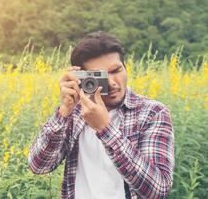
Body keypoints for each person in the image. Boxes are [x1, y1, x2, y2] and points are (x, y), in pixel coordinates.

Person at [28, 31, 174, 199]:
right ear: (82, 77)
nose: (112, 82)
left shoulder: (152, 113)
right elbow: (39, 166)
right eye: (100, 76)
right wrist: (65, 110)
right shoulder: (75, 112)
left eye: (116, 70)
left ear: (125, 67)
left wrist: (105, 129)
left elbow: (158, 189)